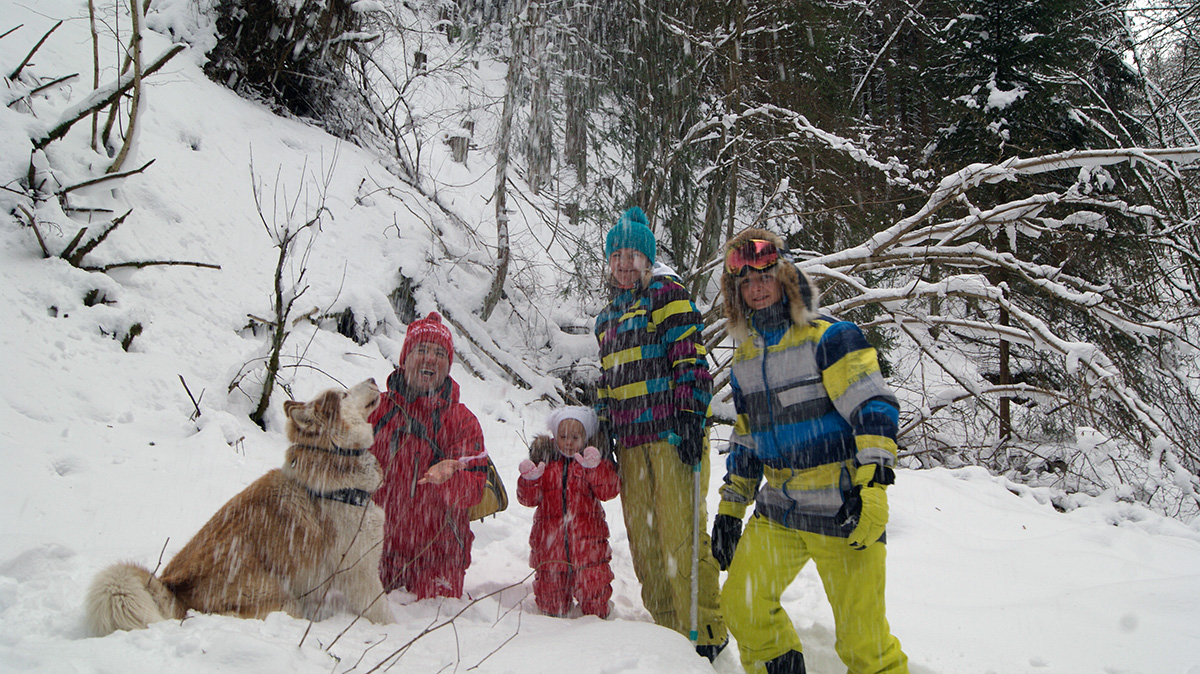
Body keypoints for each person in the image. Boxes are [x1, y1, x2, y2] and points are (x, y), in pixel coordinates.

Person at [711, 228, 909, 674]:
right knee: (743, 604)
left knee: (864, 642)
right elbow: (747, 437)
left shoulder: (830, 338)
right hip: (779, 508)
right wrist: (730, 510)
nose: (757, 289)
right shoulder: (745, 358)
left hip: (842, 505)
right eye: (746, 282)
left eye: (765, 277)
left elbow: (873, 405)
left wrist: (874, 483)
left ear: (785, 277)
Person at [593, 206, 728, 660]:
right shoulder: (606, 319)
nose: (624, 263)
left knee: (680, 538)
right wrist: (602, 432)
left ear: (648, 260)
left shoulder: (666, 295)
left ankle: (704, 633)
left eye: (633, 255)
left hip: (672, 438)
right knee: (646, 544)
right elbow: (608, 381)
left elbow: (690, 357)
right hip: (631, 445)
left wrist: (690, 416)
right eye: (617, 256)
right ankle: (669, 633)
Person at [369, 311, 488, 600]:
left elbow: (475, 490)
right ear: (404, 359)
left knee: (432, 622)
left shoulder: (462, 421)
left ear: (448, 366)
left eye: (440, 353)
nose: (430, 359)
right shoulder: (374, 410)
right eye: (421, 350)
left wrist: (451, 478)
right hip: (374, 550)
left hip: (439, 558)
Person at [516, 406, 620, 618]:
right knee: (550, 603)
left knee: (594, 595)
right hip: (549, 547)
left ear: (585, 438)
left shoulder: (590, 462)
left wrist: (595, 469)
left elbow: (608, 491)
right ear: (555, 436)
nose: (569, 442)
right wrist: (529, 481)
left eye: (575, 437)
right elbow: (528, 500)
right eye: (563, 437)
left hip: (589, 547)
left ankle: (599, 625)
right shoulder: (545, 463)